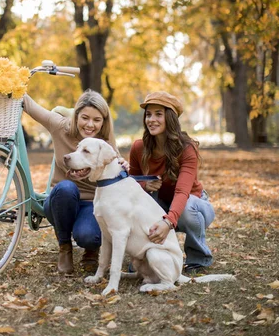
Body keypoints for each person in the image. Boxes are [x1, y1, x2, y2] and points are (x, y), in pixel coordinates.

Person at [23, 89, 118, 275]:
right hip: (60, 202)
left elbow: (116, 164)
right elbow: (30, 105)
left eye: (97, 120)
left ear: (103, 122)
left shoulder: (105, 141)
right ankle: (64, 247)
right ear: (76, 116)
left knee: (88, 236)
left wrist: (122, 164)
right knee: (66, 188)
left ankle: (92, 249)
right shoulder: (60, 127)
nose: (90, 125)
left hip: (92, 204)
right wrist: (9, 82)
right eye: (85, 117)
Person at [129, 91, 215, 274]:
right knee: (143, 205)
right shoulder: (138, 148)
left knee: (187, 206)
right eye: (148, 114)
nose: (151, 119)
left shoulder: (187, 149)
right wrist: (144, 185)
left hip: (193, 206)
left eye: (158, 114)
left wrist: (168, 222)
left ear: (170, 118)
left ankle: (198, 258)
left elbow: (183, 192)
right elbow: (131, 183)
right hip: (160, 203)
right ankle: (143, 256)